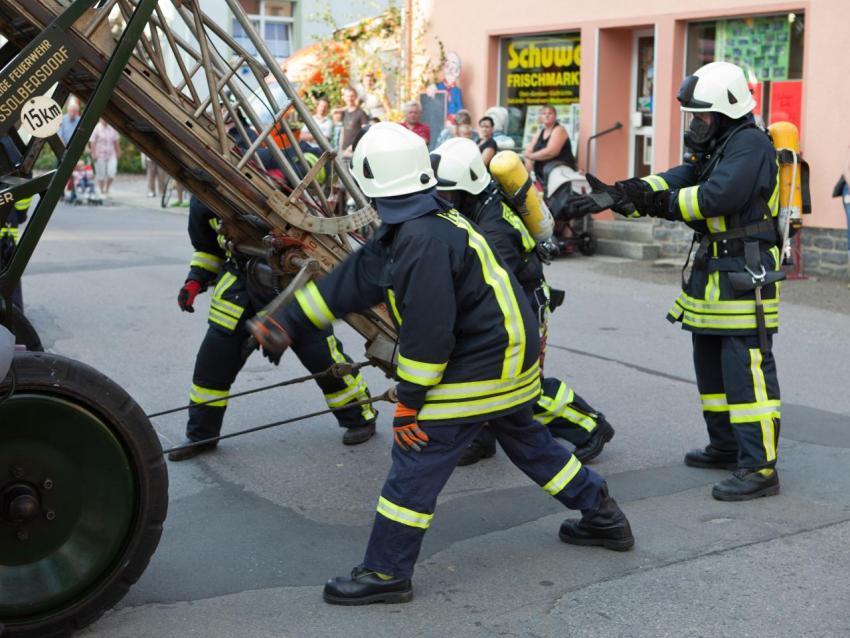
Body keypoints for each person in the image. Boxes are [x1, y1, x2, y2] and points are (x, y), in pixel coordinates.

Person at [249, 122, 633, 604]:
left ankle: (386, 573)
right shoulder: (422, 225)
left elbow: (430, 335)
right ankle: (604, 517)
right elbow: (351, 280)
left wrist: (410, 402)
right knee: (532, 444)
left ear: (372, 182)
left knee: (416, 457)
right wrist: (285, 322)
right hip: (510, 362)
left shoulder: (419, 240)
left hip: (484, 365)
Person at [572, 61, 783, 501]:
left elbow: (714, 196)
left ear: (726, 111)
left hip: (746, 273)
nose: (696, 124)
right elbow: (681, 176)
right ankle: (726, 446)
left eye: (702, 116)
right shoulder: (721, 145)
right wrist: (626, 191)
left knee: (745, 372)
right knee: (710, 363)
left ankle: (759, 467)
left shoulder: (750, 146)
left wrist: (656, 202)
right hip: (715, 273)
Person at [430, 137, 615, 466]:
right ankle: (480, 439)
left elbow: (487, 282)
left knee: (518, 385)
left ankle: (589, 426)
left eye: (447, 193)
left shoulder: (494, 228)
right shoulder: (481, 202)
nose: (442, 200)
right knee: (481, 375)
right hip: (512, 298)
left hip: (518, 305)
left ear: (466, 188)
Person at [167, 195, 379, 462]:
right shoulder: (201, 199)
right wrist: (195, 280)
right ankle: (201, 435)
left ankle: (360, 416)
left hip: (288, 284)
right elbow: (207, 249)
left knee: (322, 358)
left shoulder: (265, 178)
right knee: (212, 364)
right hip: (238, 291)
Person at [524, 105, 576, 187]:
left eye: (550, 113)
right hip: (542, 177)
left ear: (555, 116)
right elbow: (528, 150)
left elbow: (551, 152)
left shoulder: (559, 130)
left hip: (560, 176)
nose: (546, 115)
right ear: (541, 117)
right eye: (544, 113)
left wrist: (530, 156)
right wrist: (528, 158)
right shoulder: (540, 131)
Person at [89, 119, 120, 196]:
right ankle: (102, 190)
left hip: (111, 154)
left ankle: (107, 188)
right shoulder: (96, 128)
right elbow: (92, 142)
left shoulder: (112, 128)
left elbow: (115, 142)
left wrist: (118, 152)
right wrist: (93, 153)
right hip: (99, 154)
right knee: (101, 174)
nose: (105, 120)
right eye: (103, 119)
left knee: (112, 173)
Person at [336, 87, 369, 155]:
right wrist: (340, 147)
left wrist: (352, 146)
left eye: (352, 96)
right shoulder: (344, 112)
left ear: (356, 97)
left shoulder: (361, 113)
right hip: (344, 151)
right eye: (348, 96)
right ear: (344, 97)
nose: (350, 98)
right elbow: (343, 131)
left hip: (355, 150)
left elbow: (365, 132)